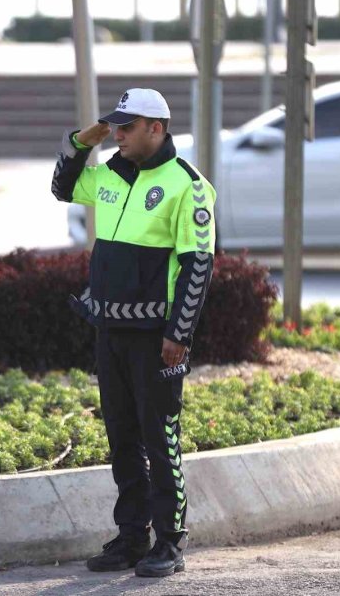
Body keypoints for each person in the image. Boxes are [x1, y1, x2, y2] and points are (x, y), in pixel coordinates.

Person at [50, 88, 216, 577]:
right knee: (122, 437)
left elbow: (197, 265)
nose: (118, 133)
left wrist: (178, 333)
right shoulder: (109, 174)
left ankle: (169, 541)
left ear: (157, 129)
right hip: (109, 329)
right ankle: (130, 537)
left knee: (159, 436)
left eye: (128, 125)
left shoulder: (189, 185)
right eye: (115, 125)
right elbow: (63, 186)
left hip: (155, 336)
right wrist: (86, 139)